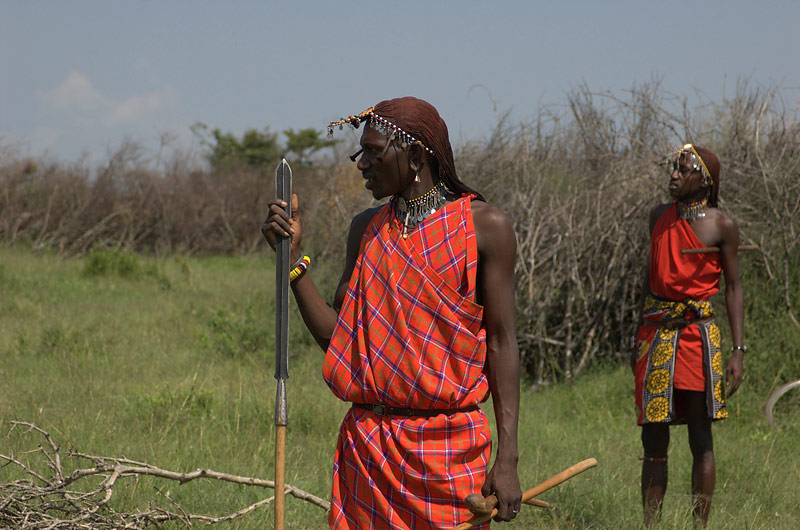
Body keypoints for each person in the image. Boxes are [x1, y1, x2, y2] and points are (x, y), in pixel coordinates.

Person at [262, 97, 522, 529]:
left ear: (416, 155)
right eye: (360, 152)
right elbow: (339, 339)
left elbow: (501, 342)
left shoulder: (484, 228)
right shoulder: (366, 229)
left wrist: (508, 457)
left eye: (373, 152)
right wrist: (292, 261)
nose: (362, 164)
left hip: (448, 453)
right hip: (369, 453)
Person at [631, 144, 745, 527]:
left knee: (700, 436)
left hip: (698, 336)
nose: (675, 175)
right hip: (656, 334)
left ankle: (700, 526)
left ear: (705, 181)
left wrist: (738, 351)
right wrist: (637, 338)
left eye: (685, 170)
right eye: (674, 168)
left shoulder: (721, 225)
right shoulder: (657, 217)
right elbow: (651, 283)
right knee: (654, 441)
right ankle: (651, 525)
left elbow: (733, 288)